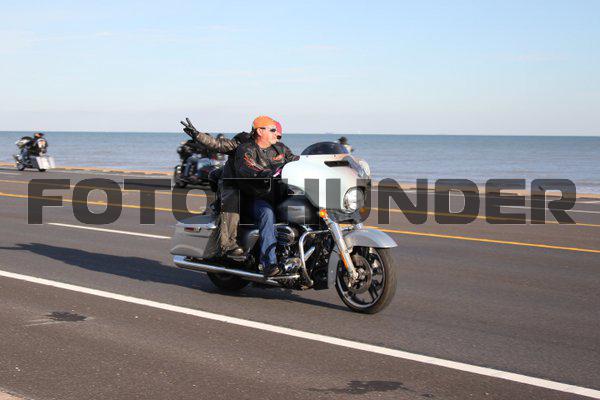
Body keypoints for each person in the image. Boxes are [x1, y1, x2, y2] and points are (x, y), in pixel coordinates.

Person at [180, 118, 285, 258]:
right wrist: (198, 135)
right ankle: (228, 245)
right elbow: (218, 144)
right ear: (261, 132)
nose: (276, 137)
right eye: (273, 132)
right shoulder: (243, 142)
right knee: (234, 198)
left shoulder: (276, 150)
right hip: (235, 185)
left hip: (257, 191)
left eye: (279, 136)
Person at [234, 116, 298, 277]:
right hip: (254, 197)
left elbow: (295, 161)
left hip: (278, 196)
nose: (277, 133)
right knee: (266, 213)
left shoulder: (280, 148)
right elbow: (248, 168)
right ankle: (269, 263)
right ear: (260, 131)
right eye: (273, 130)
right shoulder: (246, 149)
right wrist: (269, 173)